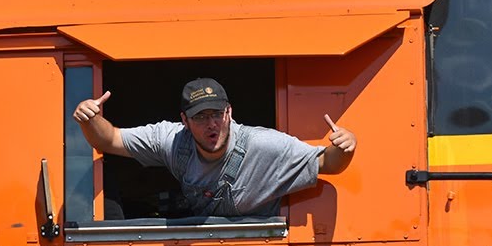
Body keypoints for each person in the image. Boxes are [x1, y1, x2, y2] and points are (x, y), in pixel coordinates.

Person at [72, 77, 356, 217]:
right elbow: (108, 140)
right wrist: (90, 118)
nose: (211, 125)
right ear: (184, 120)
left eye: (217, 114)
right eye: (200, 117)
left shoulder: (266, 145)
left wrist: (345, 148)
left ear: (229, 112)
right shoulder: (171, 141)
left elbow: (328, 164)